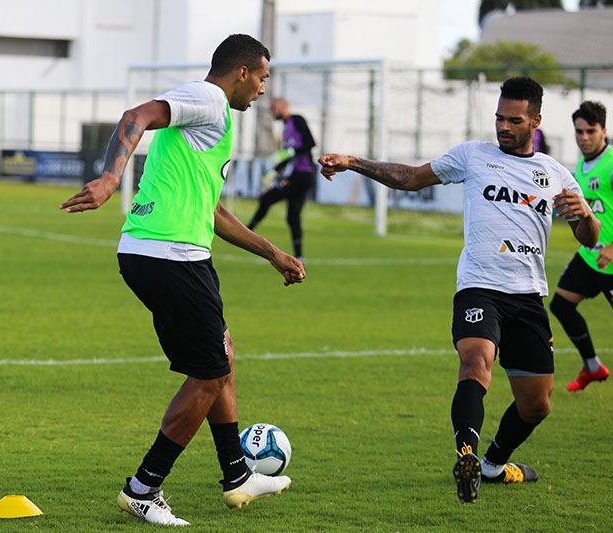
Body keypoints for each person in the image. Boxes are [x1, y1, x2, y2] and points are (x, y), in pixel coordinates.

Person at [60, 34, 304, 526]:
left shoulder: (215, 124)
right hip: (171, 256)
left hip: (166, 254)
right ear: (241, 72)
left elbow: (213, 211)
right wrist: (110, 178)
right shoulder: (210, 98)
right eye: (261, 77)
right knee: (210, 374)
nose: (262, 88)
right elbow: (136, 116)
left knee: (223, 355)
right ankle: (143, 488)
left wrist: (273, 253)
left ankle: (237, 475)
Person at [318, 77, 599, 504]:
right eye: (499, 117)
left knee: (536, 406)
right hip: (479, 288)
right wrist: (353, 161)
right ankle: (465, 455)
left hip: (527, 297)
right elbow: (411, 177)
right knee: (475, 363)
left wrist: (583, 216)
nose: (504, 126)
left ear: (536, 121)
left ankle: (492, 463)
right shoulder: (473, 156)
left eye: (515, 120)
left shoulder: (555, 174)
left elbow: (588, 237)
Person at [550, 101, 613, 391]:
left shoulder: (611, 162)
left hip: (610, 259)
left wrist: (612, 247)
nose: (584, 137)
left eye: (591, 131)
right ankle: (592, 367)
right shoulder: (582, 163)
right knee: (561, 305)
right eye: (579, 131)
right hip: (591, 256)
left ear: (604, 130)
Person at [247, 98, 316, 263]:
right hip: (297, 175)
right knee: (293, 217)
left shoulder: (297, 120)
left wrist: (289, 153)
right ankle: (299, 257)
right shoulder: (285, 129)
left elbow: (310, 143)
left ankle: (246, 232)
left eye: (274, 108)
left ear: (284, 106)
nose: (272, 112)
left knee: (267, 198)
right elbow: (287, 157)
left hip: (303, 174)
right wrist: (274, 172)